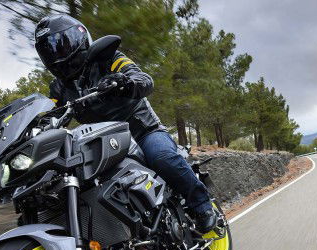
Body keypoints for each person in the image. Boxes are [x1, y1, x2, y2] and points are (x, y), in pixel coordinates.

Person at [34, 14, 217, 233]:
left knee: (161, 156)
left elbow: (143, 79)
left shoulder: (109, 59)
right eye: (48, 51)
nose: (56, 54)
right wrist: (36, 124)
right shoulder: (58, 87)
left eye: (61, 46)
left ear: (78, 39)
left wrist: (124, 82)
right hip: (103, 144)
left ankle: (202, 205)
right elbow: (51, 112)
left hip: (142, 132)